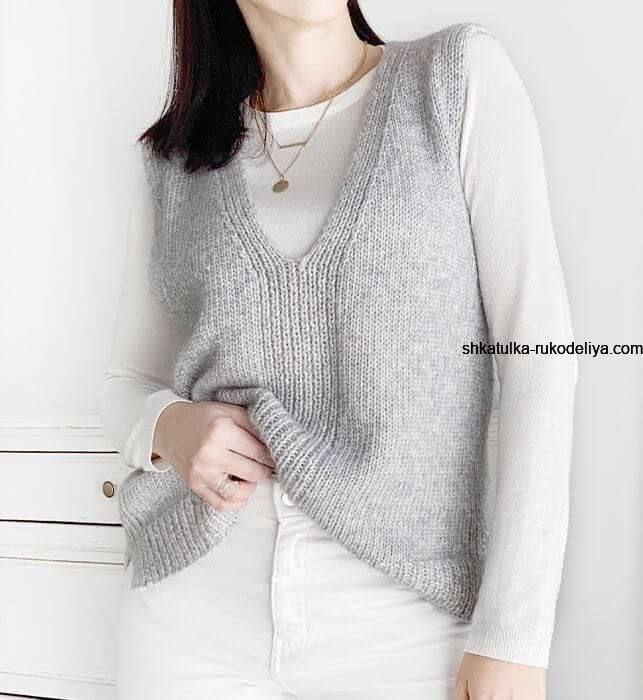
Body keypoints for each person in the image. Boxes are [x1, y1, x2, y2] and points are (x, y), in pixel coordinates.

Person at [99, 1, 578, 698]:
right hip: (190, 619)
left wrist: (513, 636)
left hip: (409, 622)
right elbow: (126, 380)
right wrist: (168, 427)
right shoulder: (176, 161)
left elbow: (540, 360)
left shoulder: (454, 79)